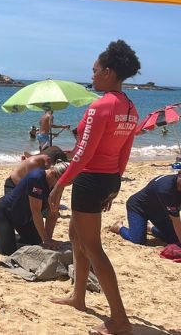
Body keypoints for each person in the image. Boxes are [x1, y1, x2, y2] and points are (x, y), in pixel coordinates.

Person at [48, 40, 141, 334]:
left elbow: (83, 154)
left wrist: (60, 185)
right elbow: (125, 151)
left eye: (95, 71)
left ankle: (120, 320)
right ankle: (78, 297)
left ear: (109, 73)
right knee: (75, 234)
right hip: (108, 178)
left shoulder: (99, 107)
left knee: (93, 247)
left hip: (89, 180)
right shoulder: (130, 107)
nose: (92, 76)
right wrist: (113, 185)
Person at [0, 162, 69, 255]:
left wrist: (48, 239)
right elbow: (36, 212)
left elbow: (52, 213)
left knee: (37, 244)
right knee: (8, 252)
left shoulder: (59, 185)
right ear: (53, 174)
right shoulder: (37, 178)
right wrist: (46, 240)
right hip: (6, 212)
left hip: (25, 217)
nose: (64, 185)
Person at [110, 169, 181, 245]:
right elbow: (175, 219)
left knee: (173, 239)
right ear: (179, 174)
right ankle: (119, 227)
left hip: (158, 211)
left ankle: (149, 228)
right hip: (138, 208)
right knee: (138, 240)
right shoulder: (166, 188)